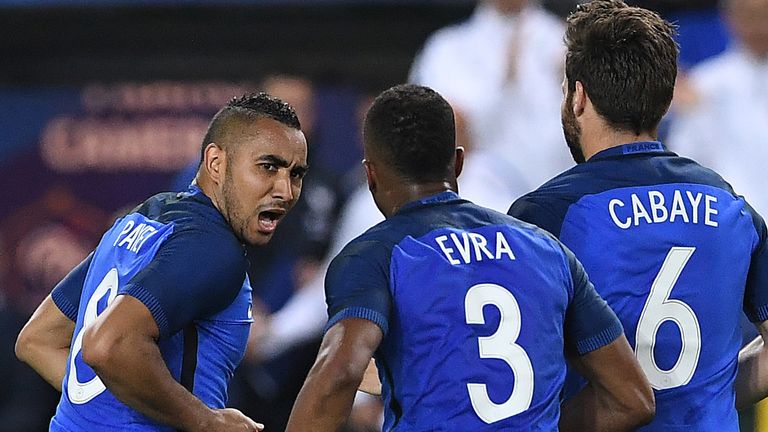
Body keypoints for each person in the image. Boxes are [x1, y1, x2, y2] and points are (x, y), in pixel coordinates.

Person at [285, 84, 654, 431]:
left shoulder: (374, 255)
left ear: (370, 175)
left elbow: (341, 375)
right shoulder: (547, 250)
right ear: (458, 163)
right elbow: (631, 399)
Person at [507, 1, 768, 430]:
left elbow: (513, 373)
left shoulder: (547, 215)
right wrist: (707, 390)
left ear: (578, 97)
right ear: (666, 100)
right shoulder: (730, 206)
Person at [14, 92, 309, 431]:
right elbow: (108, 344)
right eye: (268, 167)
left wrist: (110, 411)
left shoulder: (141, 219)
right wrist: (207, 422)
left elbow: (38, 339)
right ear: (216, 163)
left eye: (296, 174)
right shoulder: (210, 246)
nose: (285, 190)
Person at [410, 0, 571, 195]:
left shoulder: (568, 43)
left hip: (561, 193)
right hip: (480, 198)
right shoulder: (446, 49)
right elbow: (440, 132)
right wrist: (504, 83)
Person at [667, 0, 768, 217]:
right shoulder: (704, 85)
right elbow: (684, 160)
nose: (759, 27)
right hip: (732, 221)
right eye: (750, 16)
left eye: (764, 15)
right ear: (730, 18)